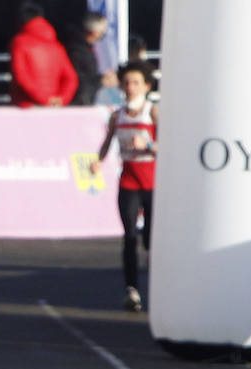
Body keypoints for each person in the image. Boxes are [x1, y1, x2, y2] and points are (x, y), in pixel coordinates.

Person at [95, 61, 157, 312]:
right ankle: (131, 290)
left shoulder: (153, 112)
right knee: (130, 237)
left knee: (152, 240)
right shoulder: (116, 115)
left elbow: (171, 145)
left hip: (152, 183)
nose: (130, 88)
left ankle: (159, 289)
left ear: (147, 86)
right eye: (126, 83)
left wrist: (149, 146)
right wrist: (97, 161)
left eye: (136, 83)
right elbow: (107, 142)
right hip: (129, 182)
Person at [9, 2, 77, 108]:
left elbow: (21, 76)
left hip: (26, 107)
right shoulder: (56, 45)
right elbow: (71, 78)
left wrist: (44, 99)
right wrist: (61, 99)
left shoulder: (19, 43)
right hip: (53, 106)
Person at [65, 11, 114, 106]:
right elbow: (82, 80)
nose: (103, 34)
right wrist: (101, 80)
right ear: (95, 32)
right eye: (103, 31)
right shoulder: (78, 50)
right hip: (79, 101)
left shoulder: (82, 47)